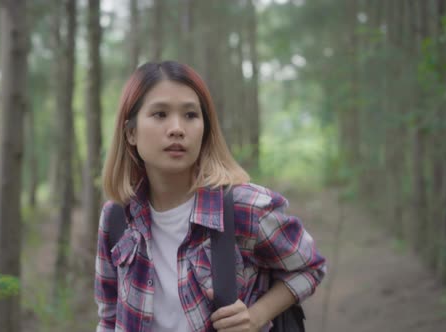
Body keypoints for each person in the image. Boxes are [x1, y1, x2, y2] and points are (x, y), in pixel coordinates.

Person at [94, 61, 326, 332]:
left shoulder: (245, 208)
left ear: (204, 130)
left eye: (191, 115)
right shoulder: (116, 219)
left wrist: (256, 316)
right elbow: (109, 319)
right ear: (131, 132)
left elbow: (309, 267)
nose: (177, 128)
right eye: (160, 114)